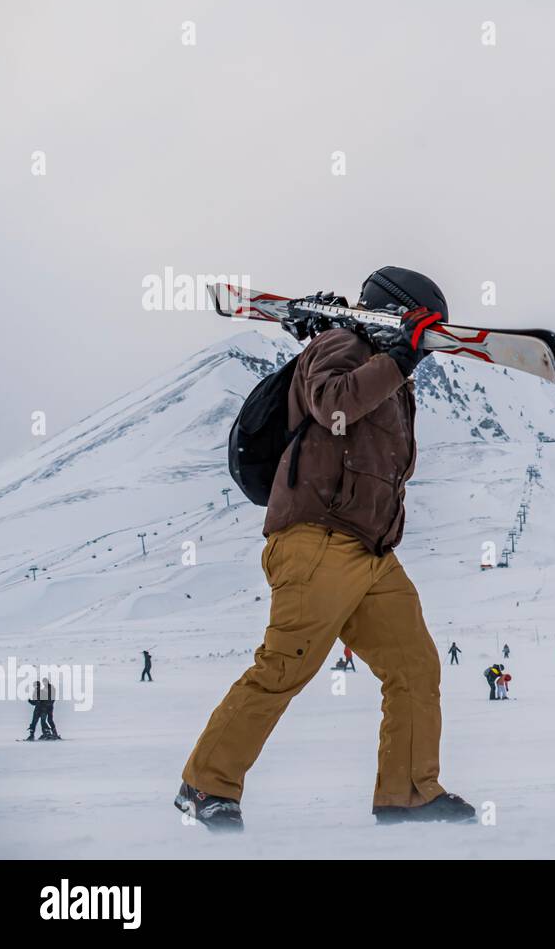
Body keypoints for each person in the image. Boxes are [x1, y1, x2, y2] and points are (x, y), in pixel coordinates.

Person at [175, 267, 474, 831]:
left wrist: (398, 367)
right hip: (317, 538)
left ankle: (409, 793)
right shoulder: (340, 345)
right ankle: (204, 785)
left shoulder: (393, 381)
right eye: (424, 327)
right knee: (285, 665)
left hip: (372, 554)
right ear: (397, 314)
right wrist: (398, 359)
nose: (426, 341)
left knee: (414, 666)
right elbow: (333, 404)